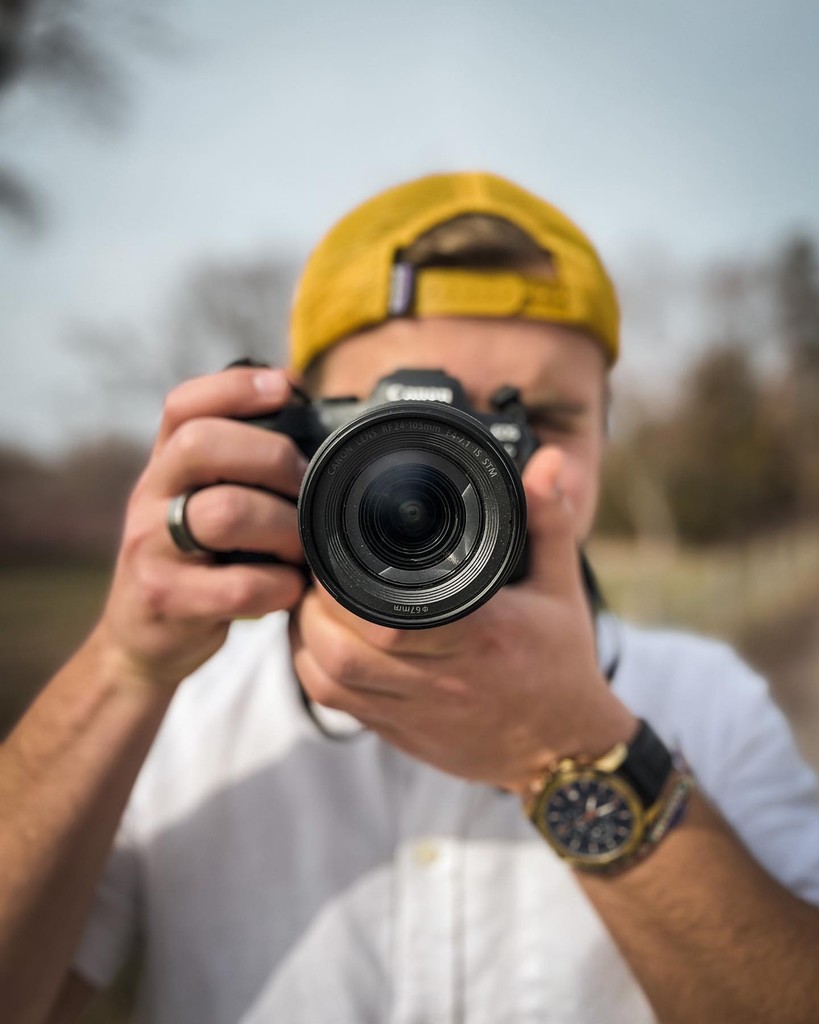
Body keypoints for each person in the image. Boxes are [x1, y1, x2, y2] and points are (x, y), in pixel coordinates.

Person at [2, 171, 819, 1024]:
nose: (459, 468)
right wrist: (125, 667)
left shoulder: (711, 704)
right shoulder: (188, 706)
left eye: (531, 418)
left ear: (606, 436)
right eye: (390, 423)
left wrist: (569, 748)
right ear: (300, 438)